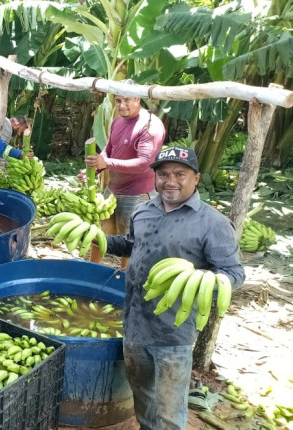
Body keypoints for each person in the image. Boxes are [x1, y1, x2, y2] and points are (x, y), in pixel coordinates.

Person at [105, 147, 245, 430]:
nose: (171, 181)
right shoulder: (143, 210)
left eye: (180, 174)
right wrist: (99, 239)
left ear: (196, 178)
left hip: (173, 332)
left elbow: (234, 273)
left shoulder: (213, 224)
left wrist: (203, 281)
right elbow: (133, 245)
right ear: (155, 177)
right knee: (143, 398)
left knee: (170, 412)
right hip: (135, 324)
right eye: (163, 174)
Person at [83, 84, 166, 269]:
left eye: (127, 100)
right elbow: (109, 150)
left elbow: (144, 163)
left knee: (130, 241)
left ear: (138, 98)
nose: (121, 105)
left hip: (137, 193)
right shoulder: (118, 121)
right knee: (99, 233)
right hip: (114, 188)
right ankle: (91, 269)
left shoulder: (150, 126)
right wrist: (95, 168)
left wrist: (107, 164)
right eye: (118, 100)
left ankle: (126, 277)